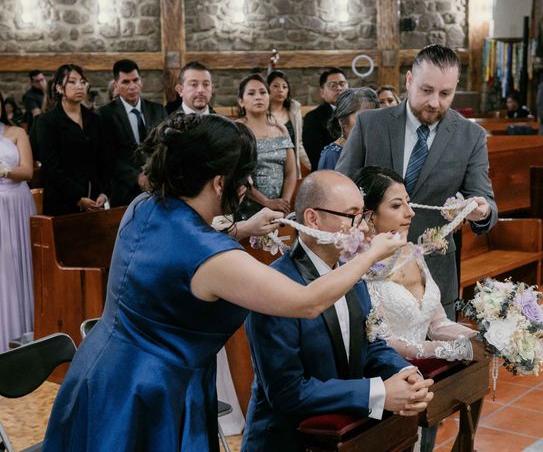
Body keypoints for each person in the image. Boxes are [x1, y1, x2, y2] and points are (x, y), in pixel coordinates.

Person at [42, 114, 406, 451]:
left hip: (100, 371)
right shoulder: (213, 258)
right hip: (155, 393)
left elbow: (184, 240)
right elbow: (307, 301)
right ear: (219, 182)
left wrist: (243, 229)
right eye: (243, 178)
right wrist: (368, 256)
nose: (247, 186)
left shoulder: (146, 205)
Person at [242, 170, 433, 451]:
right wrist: (378, 392)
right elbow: (287, 392)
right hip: (287, 441)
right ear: (312, 218)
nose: (365, 228)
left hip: (343, 437)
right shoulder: (276, 287)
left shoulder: (348, 273)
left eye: (362, 215)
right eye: (352, 215)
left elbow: (372, 345)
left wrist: (406, 372)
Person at [336, 44, 498, 319]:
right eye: (426, 90)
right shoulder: (370, 125)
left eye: (446, 93)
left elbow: (487, 205)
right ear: (409, 81)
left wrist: (481, 211)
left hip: (433, 269)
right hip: (369, 265)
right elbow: (341, 188)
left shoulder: (470, 137)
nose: (435, 102)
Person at [353, 166, 484, 452]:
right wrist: (452, 350)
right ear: (369, 216)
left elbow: (437, 322)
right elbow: (383, 340)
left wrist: (480, 337)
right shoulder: (358, 267)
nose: (410, 213)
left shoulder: (411, 250)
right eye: (397, 205)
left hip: (421, 378)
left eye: (409, 203)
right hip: (387, 380)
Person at [36, 64, 110, 216]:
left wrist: (104, 192)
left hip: (95, 200)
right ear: (59, 88)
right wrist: (78, 197)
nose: (79, 87)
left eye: (83, 82)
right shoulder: (47, 121)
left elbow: (105, 159)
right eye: (72, 82)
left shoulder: (95, 120)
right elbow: (51, 167)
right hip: (62, 201)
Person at [97, 59, 167, 206]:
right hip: (124, 190)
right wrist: (137, 177)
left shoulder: (158, 110)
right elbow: (107, 157)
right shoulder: (104, 115)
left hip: (158, 187)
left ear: (141, 82)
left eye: (135, 80)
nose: (132, 86)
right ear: (116, 85)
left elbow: (165, 147)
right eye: (126, 82)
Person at [0, 92, 36, 353]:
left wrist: (4, 171)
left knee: (18, 264)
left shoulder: (15, 132)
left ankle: (23, 334)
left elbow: (27, 171)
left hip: (17, 203)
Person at [236, 73, 296, 217]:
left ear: (269, 97)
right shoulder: (236, 130)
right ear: (241, 101)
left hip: (279, 209)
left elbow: (290, 172)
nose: (258, 97)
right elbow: (237, 176)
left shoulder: (281, 129)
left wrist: (284, 202)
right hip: (246, 208)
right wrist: (267, 202)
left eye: (263, 92)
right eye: (251, 93)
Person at [318, 87, 379, 170]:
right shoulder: (332, 155)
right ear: (342, 121)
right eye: (363, 118)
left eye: (374, 117)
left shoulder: (374, 149)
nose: (370, 123)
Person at [302, 67, 349, 170]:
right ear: (322, 92)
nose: (339, 88)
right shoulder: (313, 118)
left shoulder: (356, 114)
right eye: (333, 85)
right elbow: (316, 158)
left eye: (342, 84)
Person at [267, 69, 310, 176]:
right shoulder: (261, 112)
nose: (280, 90)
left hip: (290, 168)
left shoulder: (294, 110)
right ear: (267, 88)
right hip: (268, 168)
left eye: (284, 87)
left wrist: (313, 166)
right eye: (275, 86)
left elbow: (298, 144)